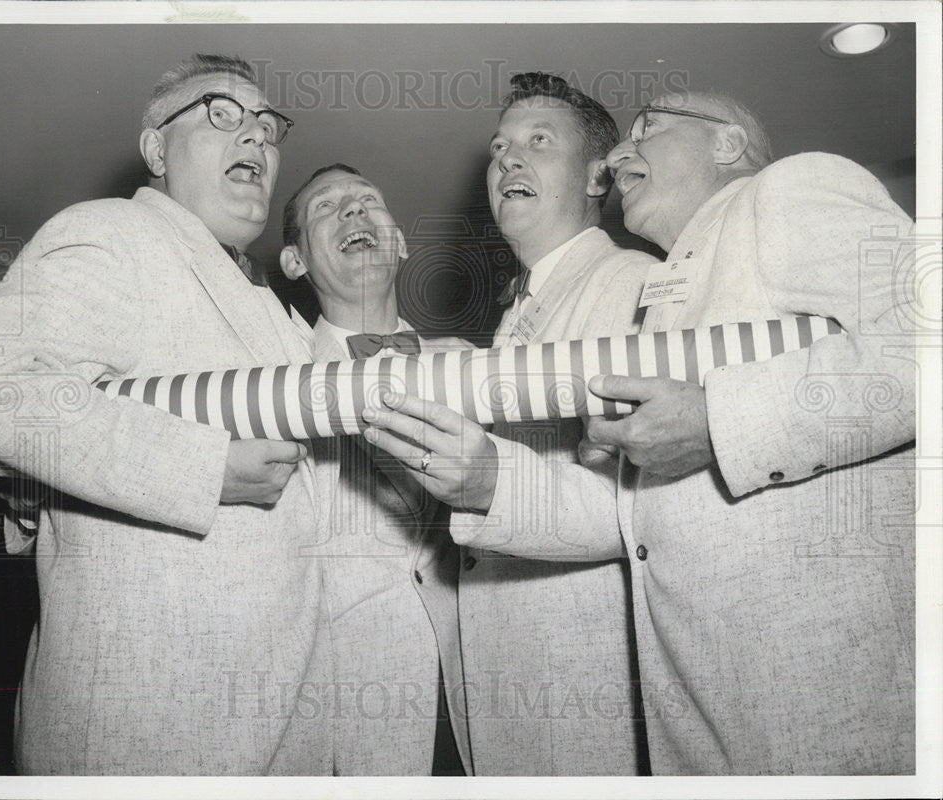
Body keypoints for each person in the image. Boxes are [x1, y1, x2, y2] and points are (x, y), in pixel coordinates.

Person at [363, 89, 916, 775]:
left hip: (823, 696)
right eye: (500, 148)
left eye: (648, 127)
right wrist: (481, 456)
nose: (625, 150)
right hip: (696, 708)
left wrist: (717, 420)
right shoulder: (669, 300)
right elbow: (629, 510)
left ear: (728, 145)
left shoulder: (789, 188)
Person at [0, 55, 331, 775]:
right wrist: (203, 468)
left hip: (283, 734)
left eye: (266, 125)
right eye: (222, 114)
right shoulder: (108, 232)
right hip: (143, 729)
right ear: (158, 149)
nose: (255, 138)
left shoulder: (276, 312)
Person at [365, 73, 658, 775]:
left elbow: (645, 514)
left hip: (585, 686)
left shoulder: (633, 284)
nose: (508, 160)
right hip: (501, 686)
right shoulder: (511, 316)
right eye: (500, 147)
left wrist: (487, 482)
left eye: (538, 142)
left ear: (597, 177)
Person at [279, 164, 472, 775]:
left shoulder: (479, 366)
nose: (354, 212)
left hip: (480, 696)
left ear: (402, 240)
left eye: (369, 201)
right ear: (294, 262)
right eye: (327, 207)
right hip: (341, 710)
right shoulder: (266, 376)